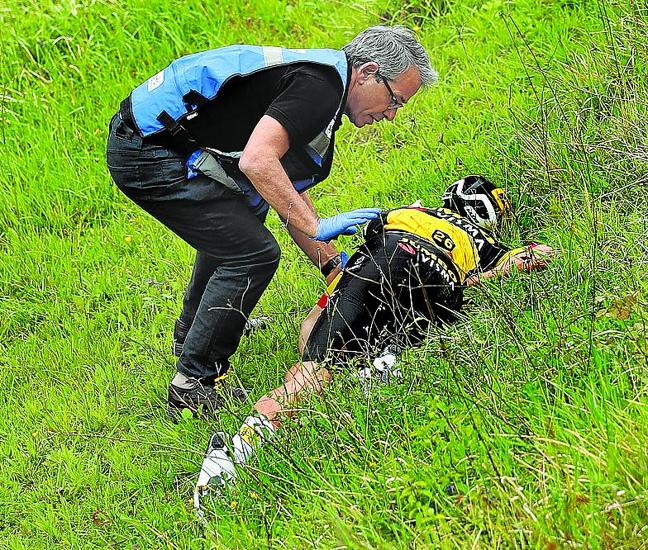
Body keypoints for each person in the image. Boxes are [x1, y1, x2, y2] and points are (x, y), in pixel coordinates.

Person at [105, 27, 437, 418]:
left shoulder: (324, 78)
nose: (392, 115)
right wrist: (315, 228)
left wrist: (330, 265)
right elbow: (257, 161)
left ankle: (195, 332)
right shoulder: (320, 89)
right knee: (252, 253)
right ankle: (193, 383)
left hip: (150, 137)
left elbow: (283, 186)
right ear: (367, 72)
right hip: (148, 150)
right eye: (395, 99)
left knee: (242, 220)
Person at [193, 175, 556, 504]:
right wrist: (485, 274)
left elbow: (358, 259)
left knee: (311, 368)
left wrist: (324, 314)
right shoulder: (485, 241)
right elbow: (535, 256)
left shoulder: (410, 211)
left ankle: (233, 455)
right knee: (407, 337)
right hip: (439, 285)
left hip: (383, 260)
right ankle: (382, 363)